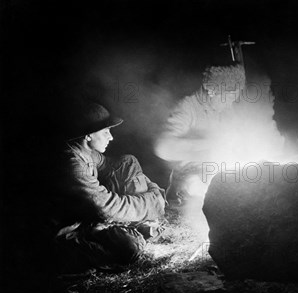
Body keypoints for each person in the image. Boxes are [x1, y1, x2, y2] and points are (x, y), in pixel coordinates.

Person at [54, 100, 166, 273]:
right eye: (106, 131)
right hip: (70, 232)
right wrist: (151, 203)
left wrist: (154, 191)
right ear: (89, 135)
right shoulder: (72, 164)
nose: (111, 137)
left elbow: (121, 167)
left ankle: (136, 225)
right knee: (130, 247)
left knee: (128, 161)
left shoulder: (86, 152)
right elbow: (105, 207)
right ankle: (66, 261)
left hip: (89, 219)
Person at [154, 64, 246, 204]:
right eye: (228, 98)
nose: (229, 104)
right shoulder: (187, 108)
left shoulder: (222, 108)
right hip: (189, 183)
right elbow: (163, 147)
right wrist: (208, 145)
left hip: (216, 173)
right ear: (212, 91)